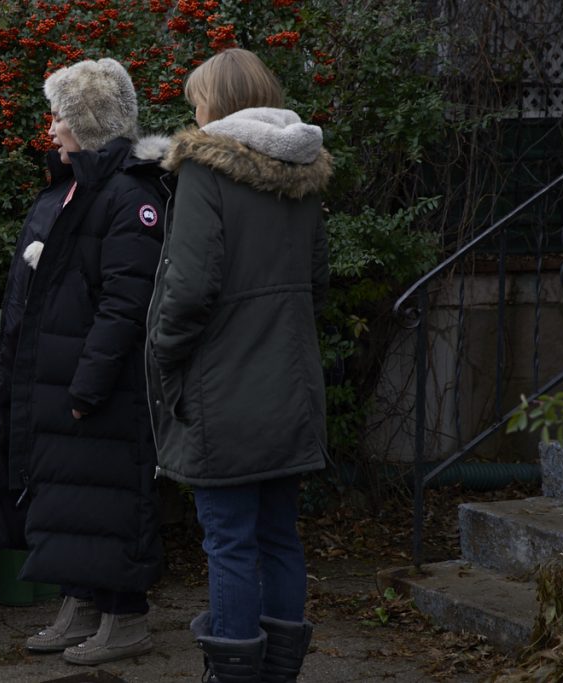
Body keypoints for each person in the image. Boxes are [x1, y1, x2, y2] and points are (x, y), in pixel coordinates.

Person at [145, 48, 332, 682]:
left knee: (228, 540)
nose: (192, 110)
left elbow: (191, 286)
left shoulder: (205, 170)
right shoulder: (302, 171)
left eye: (198, 97)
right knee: (279, 536)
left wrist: (166, 350)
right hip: (293, 388)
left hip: (223, 389)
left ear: (218, 103)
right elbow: (318, 280)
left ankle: (232, 675)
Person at [0, 58, 168, 666]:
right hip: (56, 374)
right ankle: (82, 602)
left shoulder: (128, 195)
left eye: (60, 115)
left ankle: (126, 617)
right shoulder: (71, 189)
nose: (51, 127)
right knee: (72, 501)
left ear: (87, 123)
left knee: (111, 499)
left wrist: (87, 383)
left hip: (99, 384)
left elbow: (125, 302)